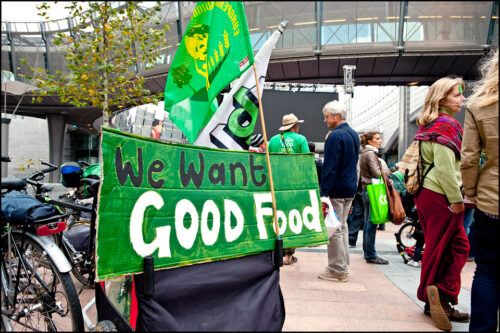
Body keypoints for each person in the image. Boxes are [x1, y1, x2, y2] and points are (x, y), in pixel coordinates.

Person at [412, 76, 470, 331]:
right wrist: (456, 200)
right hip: (441, 195)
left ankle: (434, 298)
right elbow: (446, 169)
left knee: (439, 247)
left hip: (428, 193)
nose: (462, 98)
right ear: (442, 98)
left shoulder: (432, 124)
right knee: (455, 247)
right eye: (457, 94)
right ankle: (440, 294)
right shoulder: (447, 125)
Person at [460, 50, 498, 332]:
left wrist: (471, 192)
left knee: (487, 271)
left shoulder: (480, 106)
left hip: (491, 199)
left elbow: (470, 157)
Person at [317, 100, 360, 282]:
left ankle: (337, 269)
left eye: (327, 117)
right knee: (342, 226)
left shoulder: (335, 136)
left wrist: (324, 192)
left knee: (333, 229)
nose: (325, 120)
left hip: (336, 188)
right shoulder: (354, 134)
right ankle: (342, 266)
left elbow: (330, 166)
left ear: (336, 116)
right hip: (350, 187)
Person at [268, 113, 310, 265]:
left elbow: (269, 159)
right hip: (294, 184)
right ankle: (288, 255)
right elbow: (306, 161)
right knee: (293, 217)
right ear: (295, 126)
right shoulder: (301, 139)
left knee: (277, 216)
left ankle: (276, 251)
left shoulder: (273, 140)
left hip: (277, 184)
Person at [359, 131, 391, 265]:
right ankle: (371, 254)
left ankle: (367, 252)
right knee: (372, 223)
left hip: (367, 189)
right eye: (377, 139)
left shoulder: (364, 153)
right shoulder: (370, 154)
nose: (380, 141)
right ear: (369, 141)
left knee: (368, 222)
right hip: (373, 189)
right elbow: (378, 174)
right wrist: (390, 170)